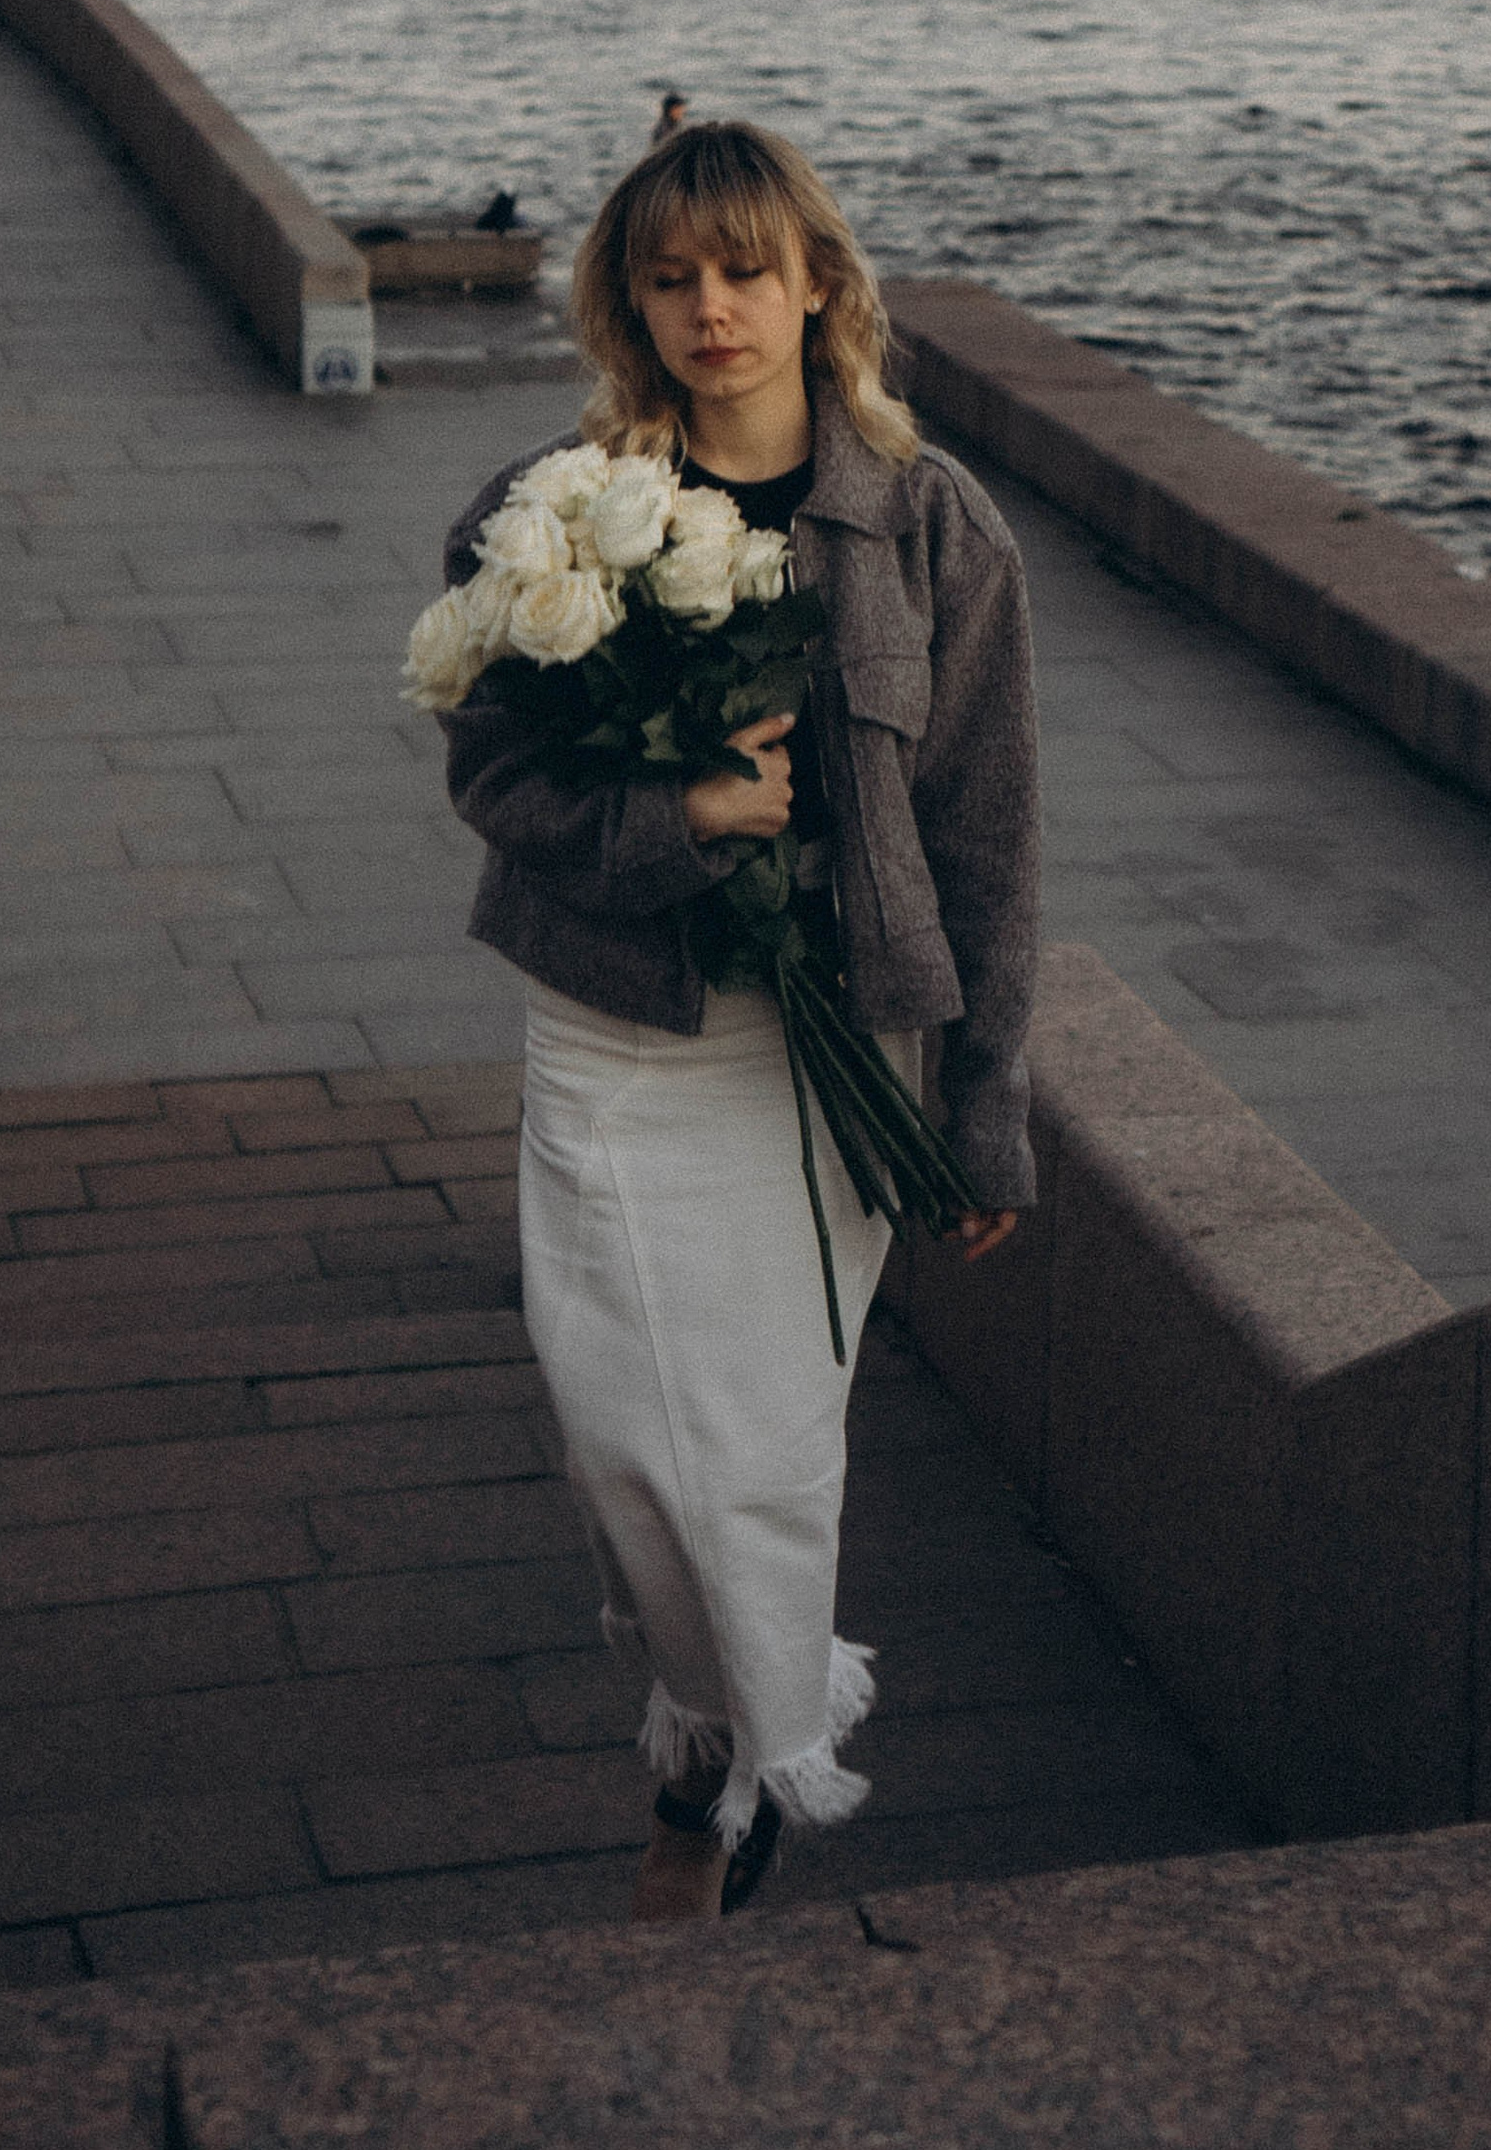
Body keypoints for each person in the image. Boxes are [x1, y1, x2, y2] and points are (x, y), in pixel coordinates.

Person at [435, 121, 1039, 1923]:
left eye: (747, 271)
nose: (714, 308)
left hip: (830, 1059)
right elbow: (493, 778)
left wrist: (984, 1116)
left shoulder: (933, 526)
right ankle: (719, 1725)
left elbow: (990, 837)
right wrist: (675, 819)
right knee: (621, 1440)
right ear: (629, 300)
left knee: (762, 1448)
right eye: (673, 276)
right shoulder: (545, 516)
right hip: (617, 1032)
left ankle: (718, 1781)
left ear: (819, 286)